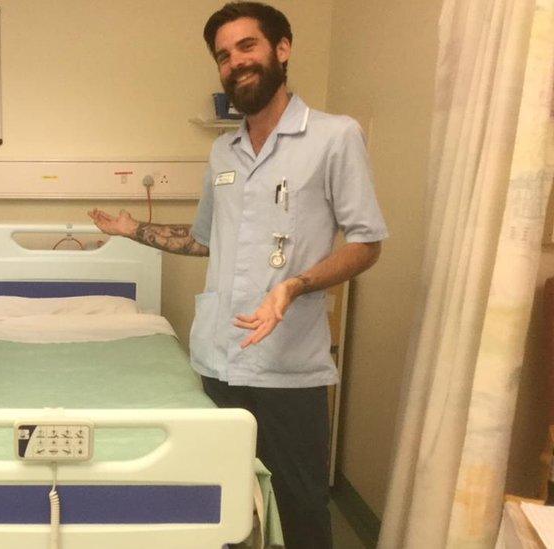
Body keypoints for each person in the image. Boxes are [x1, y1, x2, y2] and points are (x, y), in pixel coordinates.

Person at [89, 3, 387, 547]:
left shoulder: (334, 137)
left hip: (289, 365)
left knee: (300, 511)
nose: (235, 63)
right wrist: (134, 229)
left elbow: (367, 243)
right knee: (220, 505)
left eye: (247, 46)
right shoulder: (221, 151)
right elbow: (205, 239)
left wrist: (294, 286)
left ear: (282, 48)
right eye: (223, 56)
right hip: (218, 358)